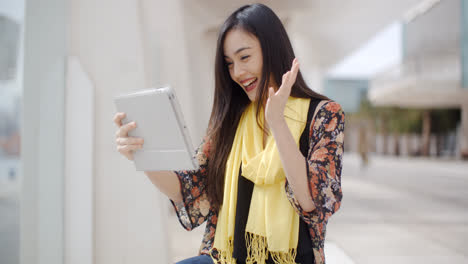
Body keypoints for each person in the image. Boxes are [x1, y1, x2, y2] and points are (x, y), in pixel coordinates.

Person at [113, 4, 345, 264]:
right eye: (229, 64)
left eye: (244, 57)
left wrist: (278, 123)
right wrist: (143, 155)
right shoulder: (231, 120)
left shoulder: (324, 114)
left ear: (272, 50)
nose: (237, 73)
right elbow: (189, 189)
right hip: (226, 258)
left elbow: (311, 200)